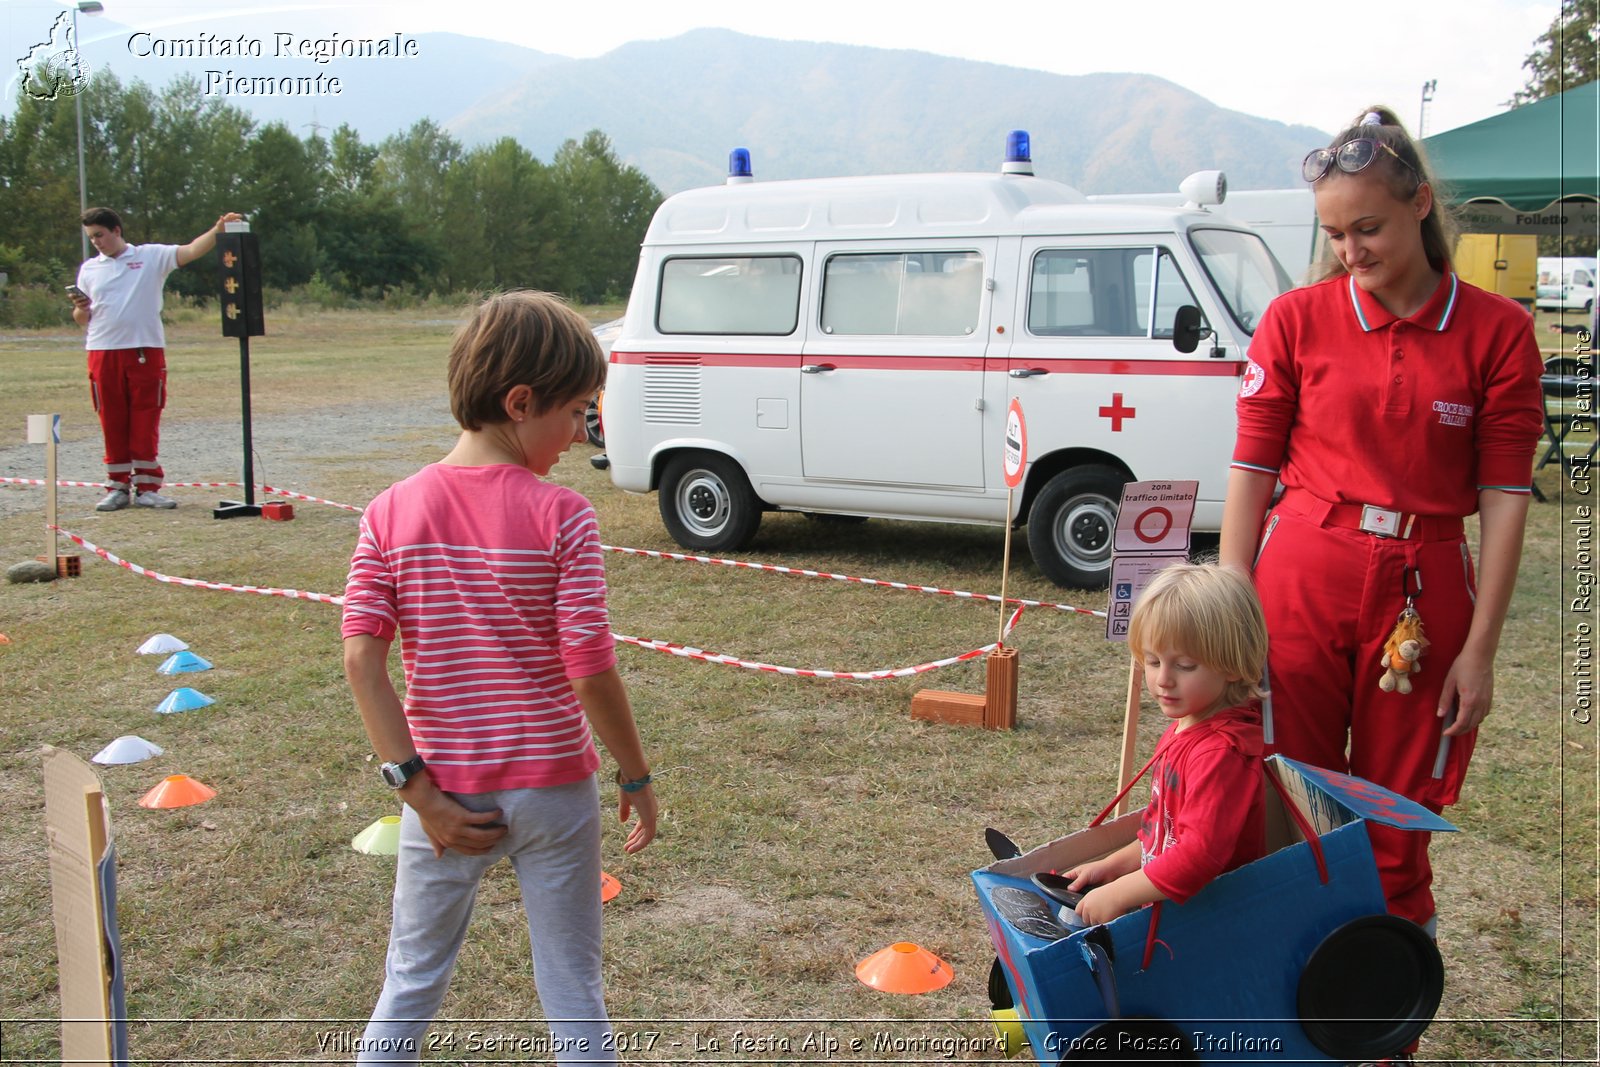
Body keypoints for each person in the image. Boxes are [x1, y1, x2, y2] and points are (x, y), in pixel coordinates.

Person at [1219, 106, 1544, 935]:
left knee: (1396, 818)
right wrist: (1230, 607)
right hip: (1300, 570)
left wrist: (1481, 650)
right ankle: (1287, 1003)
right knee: (1289, 791)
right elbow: (1252, 468)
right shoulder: (1296, 318)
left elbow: (1506, 496)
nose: (1350, 251)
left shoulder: (1499, 332)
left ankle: (1383, 1032)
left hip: (1426, 588)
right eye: (1334, 233)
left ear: (1421, 205)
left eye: (1368, 228)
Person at [340, 290, 658, 1065]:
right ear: (520, 402)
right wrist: (636, 771)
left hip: (445, 792)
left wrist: (418, 794)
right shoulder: (564, 514)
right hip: (553, 787)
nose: (582, 431)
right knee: (574, 990)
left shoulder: (389, 511)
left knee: (410, 979)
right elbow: (589, 666)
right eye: (578, 410)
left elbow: (360, 658)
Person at [1066, 563, 1267, 926]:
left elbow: (1198, 857)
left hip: (1209, 926)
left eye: (1185, 665)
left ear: (1234, 665)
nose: (1163, 680)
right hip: (1176, 917)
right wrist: (1110, 868)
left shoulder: (1220, 754)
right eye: (1153, 661)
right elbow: (1163, 833)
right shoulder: (1186, 724)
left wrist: (1121, 892)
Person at [69, 207, 243, 510]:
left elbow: (189, 251)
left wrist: (218, 230)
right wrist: (81, 308)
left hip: (143, 350)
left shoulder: (149, 256)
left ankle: (148, 486)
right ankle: (118, 487)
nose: (96, 242)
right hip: (101, 350)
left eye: (100, 235)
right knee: (111, 418)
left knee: (144, 416)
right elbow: (82, 318)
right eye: (91, 237)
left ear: (117, 231)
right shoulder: (89, 269)